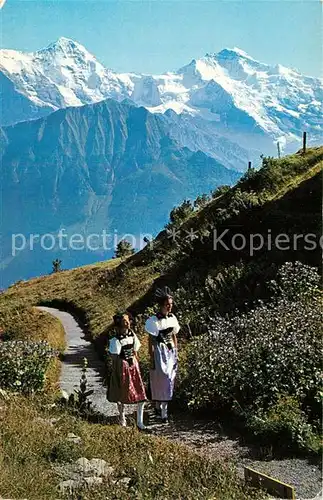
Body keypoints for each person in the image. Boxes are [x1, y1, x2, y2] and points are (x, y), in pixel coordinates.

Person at [145, 287, 180, 423]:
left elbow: (174, 336)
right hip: (160, 352)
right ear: (161, 305)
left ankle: (162, 409)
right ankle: (161, 409)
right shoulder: (154, 321)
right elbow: (151, 341)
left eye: (171, 304)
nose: (170, 307)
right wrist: (152, 357)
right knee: (161, 379)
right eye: (167, 304)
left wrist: (176, 352)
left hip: (170, 352)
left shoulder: (172, 318)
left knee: (169, 379)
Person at [107, 311, 147, 430]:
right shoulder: (115, 340)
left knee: (140, 393)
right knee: (122, 394)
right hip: (122, 366)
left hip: (133, 365)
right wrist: (116, 373)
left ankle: (140, 421)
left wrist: (136, 364)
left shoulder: (132, 335)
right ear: (120, 324)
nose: (128, 323)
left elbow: (135, 352)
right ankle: (122, 418)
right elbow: (114, 358)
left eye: (128, 320)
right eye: (125, 321)